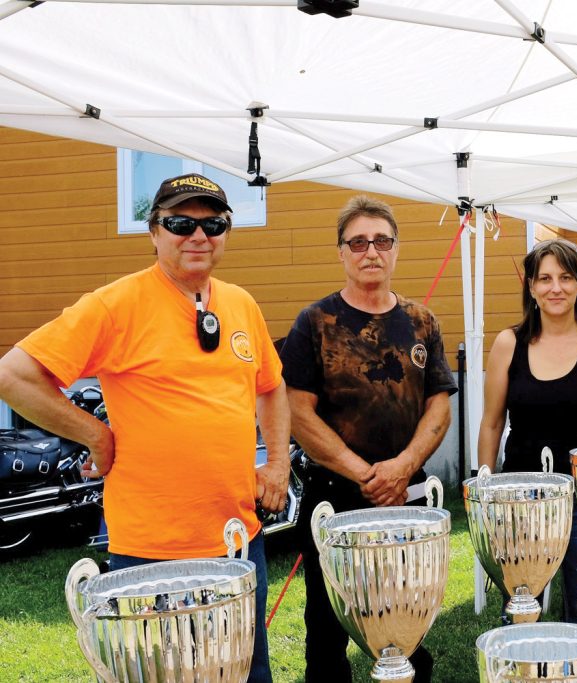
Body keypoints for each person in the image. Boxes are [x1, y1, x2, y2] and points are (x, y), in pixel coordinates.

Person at [0, 174, 289, 683]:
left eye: (213, 223)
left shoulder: (242, 304)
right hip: (152, 551)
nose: (198, 236)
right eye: (180, 223)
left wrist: (278, 463)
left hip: (239, 540)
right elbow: (15, 375)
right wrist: (96, 434)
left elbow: (271, 385)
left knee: (247, 675)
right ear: (154, 231)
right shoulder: (116, 305)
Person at [279, 195, 456, 683]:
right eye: (358, 242)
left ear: (396, 249)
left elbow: (439, 404)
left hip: (408, 494)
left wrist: (402, 467)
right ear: (342, 252)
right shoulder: (314, 323)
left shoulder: (422, 322)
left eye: (381, 240)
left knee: (408, 619)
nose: (370, 251)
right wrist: (364, 474)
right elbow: (298, 413)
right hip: (335, 497)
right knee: (329, 630)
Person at [477, 238, 577, 623]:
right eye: (545, 278)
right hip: (521, 503)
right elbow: (492, 422)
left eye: (566, 277)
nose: (556, 288)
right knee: (520, 611)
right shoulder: (508, 343)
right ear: (531, 287)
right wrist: (484, 491)